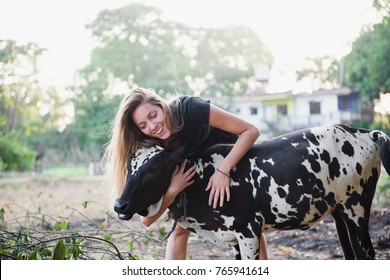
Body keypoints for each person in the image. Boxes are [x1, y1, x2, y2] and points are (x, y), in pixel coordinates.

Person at [104, 87, 268, 259]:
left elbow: (251, 131)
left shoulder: (191, 108)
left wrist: (223, 170)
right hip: (196, 173)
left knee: (246, 223)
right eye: (143, 125)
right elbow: (146, 221)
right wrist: (174, 189)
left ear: (161, 105)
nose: (153, 127)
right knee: (180, 228)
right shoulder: (154, 147)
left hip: (234, 163)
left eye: (153, 115)